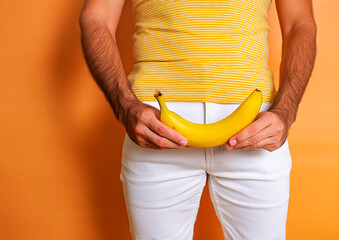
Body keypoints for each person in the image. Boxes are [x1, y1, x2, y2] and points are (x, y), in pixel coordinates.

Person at [79, 0, 316, 239]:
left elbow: (300, 23)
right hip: (155, 128)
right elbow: (96, 18)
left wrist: (285, 111)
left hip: (256, 128)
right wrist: (125, 106)